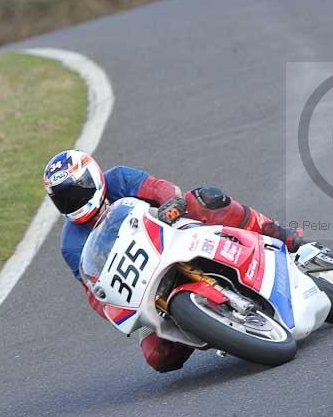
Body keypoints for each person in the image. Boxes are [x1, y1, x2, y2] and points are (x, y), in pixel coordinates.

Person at [43, 149, 305, 372]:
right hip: (143, 284)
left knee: (204, 199)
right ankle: (215, 329)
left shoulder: (118, 178)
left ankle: (276, 233)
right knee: (158, 358)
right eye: (63, 198)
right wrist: (113, 306)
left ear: (92, 177)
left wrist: (172, 203)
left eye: (76, 191)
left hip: (171, 232)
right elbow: (93, 291)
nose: (72, 201)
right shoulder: (71, 244)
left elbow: (159, 188)